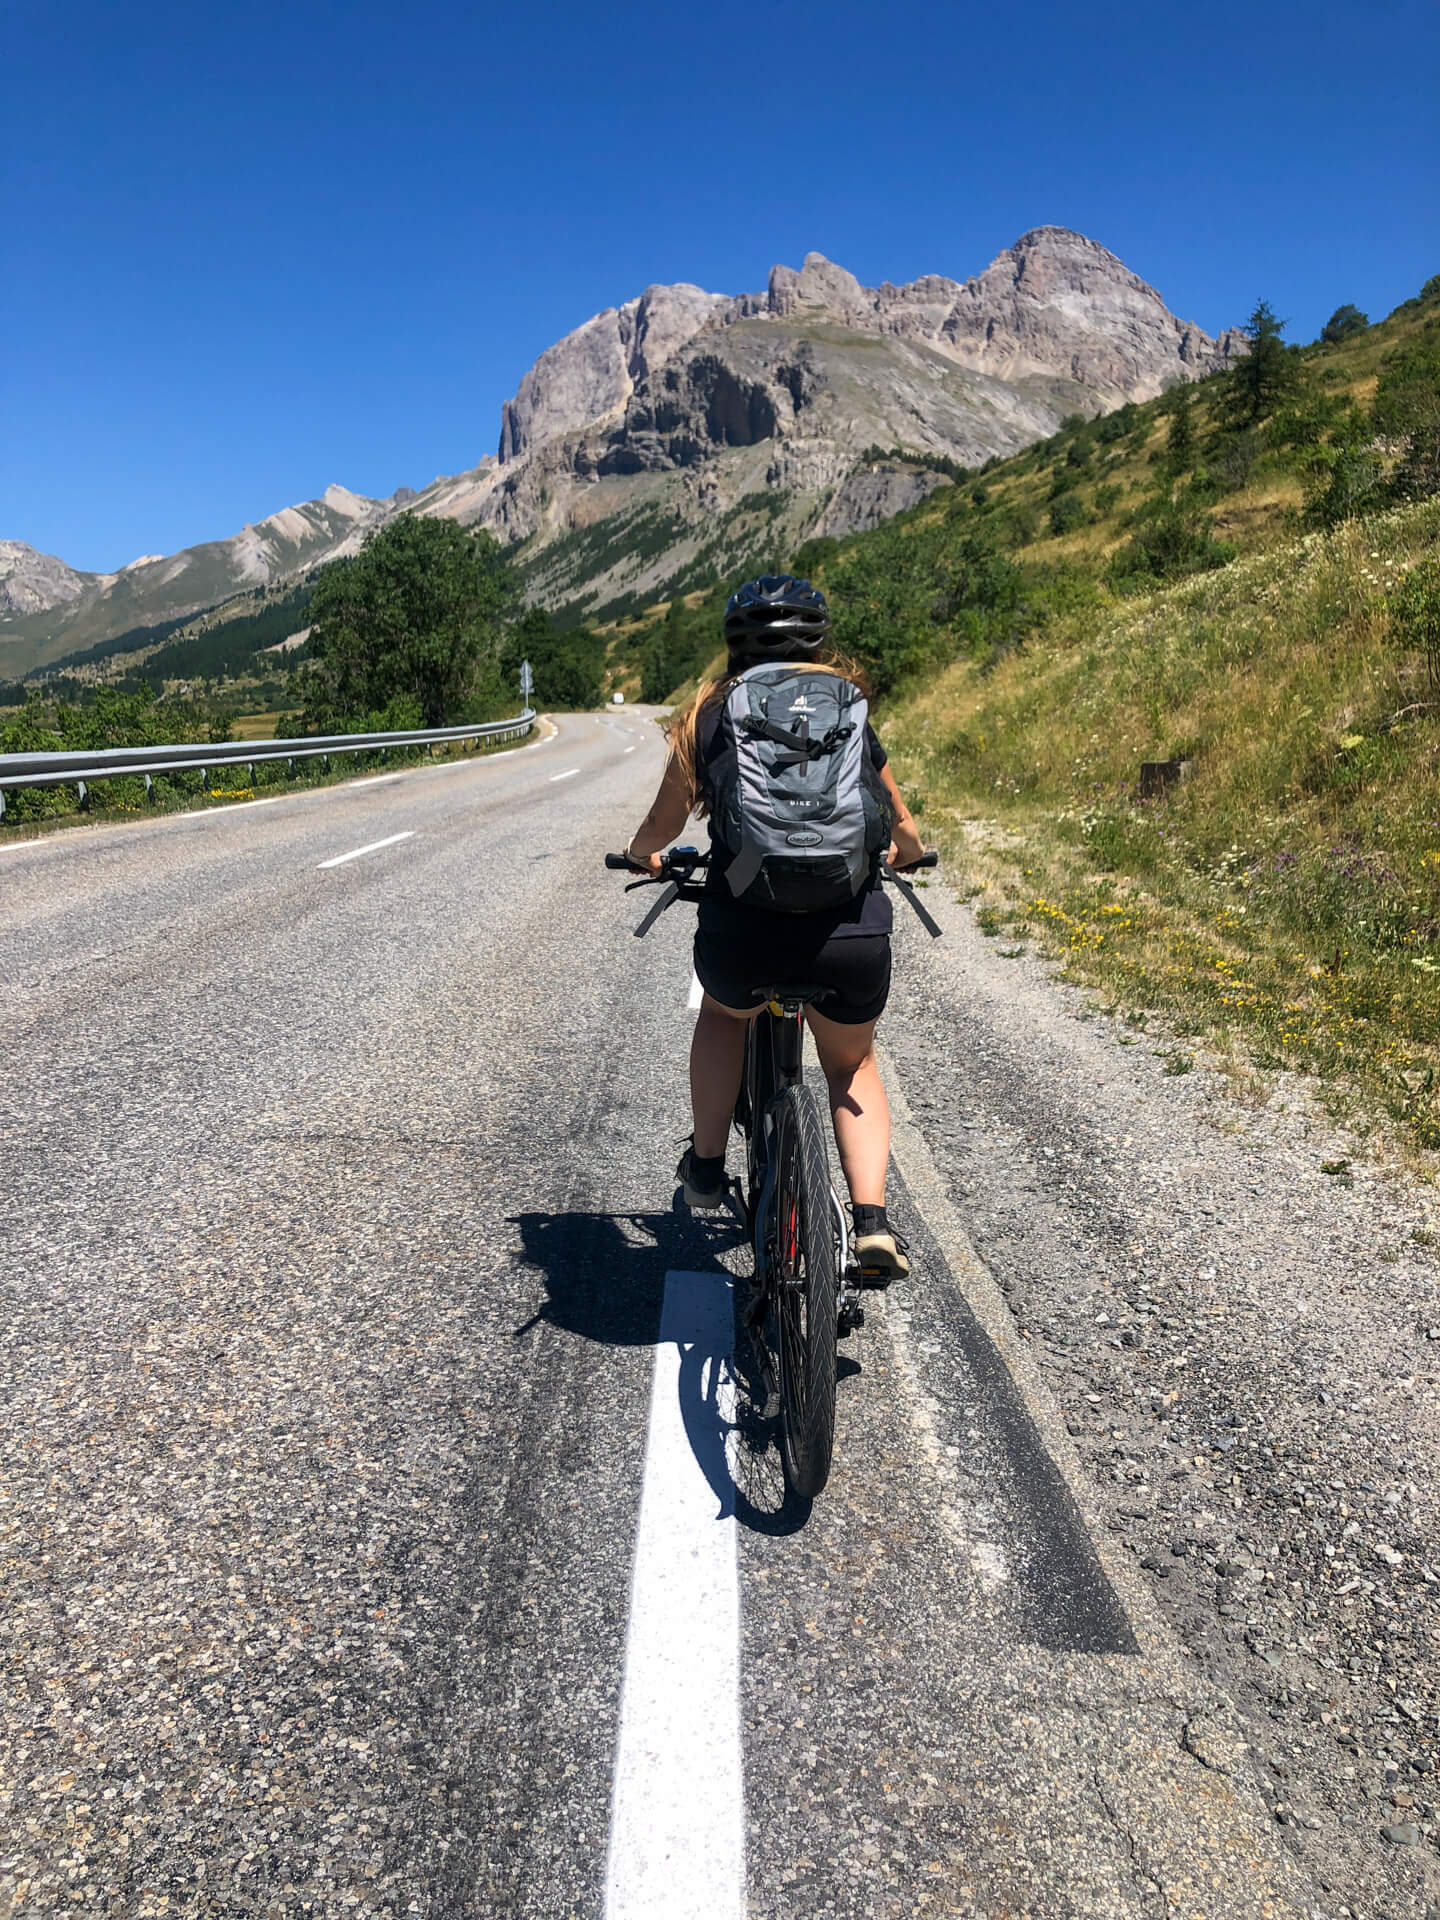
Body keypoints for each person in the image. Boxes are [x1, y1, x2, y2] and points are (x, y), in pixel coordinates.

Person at [622, 574, 926, 1282]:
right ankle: (872, 1223)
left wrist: (644, 855)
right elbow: (903, 830)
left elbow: (664, 822)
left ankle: (705, 1168)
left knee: (724, 1018)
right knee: (851, 1065)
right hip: (848, 934)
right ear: (820, 642)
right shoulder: (848, 709)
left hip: (746, 932)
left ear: (733, 645)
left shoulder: (708, 713)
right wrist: (905, 854)